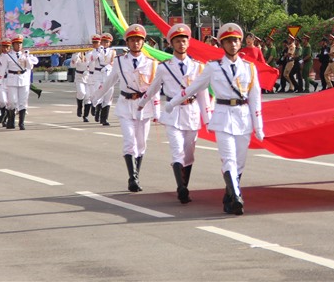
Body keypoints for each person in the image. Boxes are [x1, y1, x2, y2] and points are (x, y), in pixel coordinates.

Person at [166, 23, 264, 216]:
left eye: (235, 41)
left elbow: (255, 99)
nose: (233, 45)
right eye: (228, 42)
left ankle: (229, 195)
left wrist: (259, 127)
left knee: (240, 162)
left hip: (243, 117)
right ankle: (237, 197)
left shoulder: (249, 68)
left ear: (240, 42)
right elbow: (194, 88)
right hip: (223, 116)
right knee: (228, 159)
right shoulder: (213, 67)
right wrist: (173, 103)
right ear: (222, 44)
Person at [139, 23, 212, 203]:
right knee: (177, 151)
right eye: (177, 41)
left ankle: (185, 184)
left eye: (184, 41)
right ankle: (181, 187)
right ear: (171, 44)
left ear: (188, 43)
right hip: (172, 114)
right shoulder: (165, 67)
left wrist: (208, 119)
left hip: (192, 112)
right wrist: (142, 103)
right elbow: (153, 87)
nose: (181, 44)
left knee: (189, 153)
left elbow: (203, 95)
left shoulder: (198, 67)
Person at [93, 24, 157, 192]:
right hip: (126, 105)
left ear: (143, 43)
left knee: (141, 144)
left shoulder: (151, 63)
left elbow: (154, 88)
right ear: (127, 43)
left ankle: (137, 173)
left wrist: (157, 111)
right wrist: (95, 98)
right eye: (132, 40)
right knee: (130, 142)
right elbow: (110, 81)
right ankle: (132, 178)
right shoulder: (120, 61)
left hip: (144, 106)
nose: (136, 43)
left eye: (138, 40)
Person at [1, 35, 38, 130]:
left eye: (20, 43)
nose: (19, 45)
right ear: (13, 45)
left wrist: (27, 57)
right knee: (12, 102)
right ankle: (11, 120)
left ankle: (21, 123)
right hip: (12, 79)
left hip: (23, 79)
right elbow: (2, 69)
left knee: (23, 102)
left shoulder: (25, 55)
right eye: (17, 43)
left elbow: (30, 67)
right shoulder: (7, 56)